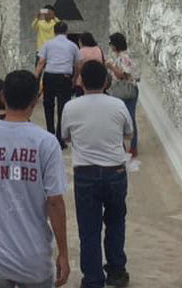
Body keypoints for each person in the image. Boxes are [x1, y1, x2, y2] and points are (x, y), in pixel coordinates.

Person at [0, 70, 70, 288]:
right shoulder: (45, 143)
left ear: (3, 96)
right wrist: (63, 252)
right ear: (36, 100)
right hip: (33, 257)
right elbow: (55, 201)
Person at [61, 61, 133, 288]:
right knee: (115, 222)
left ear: (80, 81)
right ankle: (117, 271)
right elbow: (128, 133)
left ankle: (92, 279)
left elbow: (66, 137)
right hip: (116, 172)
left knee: (88, 229)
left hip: (86, 174)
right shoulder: (118, 104)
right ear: (106, 81)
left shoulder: (71, 107)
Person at [35, 21, 81, 148]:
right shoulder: (73, 46)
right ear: (67, 31)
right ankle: (59, 138)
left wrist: (35, 78)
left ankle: (49, 134)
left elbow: (41, 62)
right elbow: (78, 65)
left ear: (54, 32)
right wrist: (74, 79)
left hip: (49, 76)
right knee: (63, 108)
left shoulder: (47, 44)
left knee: (48, 105)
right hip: (65, 77)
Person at [106, 32, 139, 157]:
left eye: (111, 43)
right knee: (127, 118)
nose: (110, 46)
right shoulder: (121, 56)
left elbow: (122, 75)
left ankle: (130, 147)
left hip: (126, 90)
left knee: (127, 118)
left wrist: (111, 67)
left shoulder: (124, 57)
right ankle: (128, 146)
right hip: (125, 90)